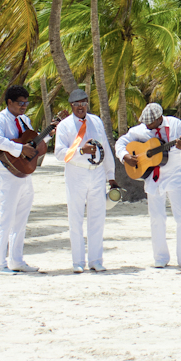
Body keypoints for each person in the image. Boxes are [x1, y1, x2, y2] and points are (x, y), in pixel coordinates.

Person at [115, 103, 181, 269]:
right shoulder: (139, 131)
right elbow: (121, 143)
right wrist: (125, 156)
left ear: (159, 119)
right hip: (153, 179)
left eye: (150, 124)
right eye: (145, 124)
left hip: (175, 177)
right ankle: (160, 258)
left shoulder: (175, 125)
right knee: (157, 218)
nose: (147, 126)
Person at [0, 85, 55, 275]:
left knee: (21, 221)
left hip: (24, 175)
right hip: (6, 176)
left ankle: (16, 260)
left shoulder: (25, 121)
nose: (24, 106)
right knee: (6, 220)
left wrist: (49, 134)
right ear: (9, 102)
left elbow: (34, 143)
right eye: (20, 103)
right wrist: (19, 149)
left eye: (26, 103)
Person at [54, 89, 118, 273]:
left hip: (97, 173)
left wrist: (111, 177)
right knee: (75, 217)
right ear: (71, 106)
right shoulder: (65, 126)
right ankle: (78, 262)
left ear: (87, 103)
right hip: (76, 173)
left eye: (83, 103)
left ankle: (96, 260)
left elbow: (105, 148)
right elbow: (59, 153)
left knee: (98, 217)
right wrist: (81, 151)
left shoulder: (96, 121)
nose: (80, 107)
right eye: (76, 104)